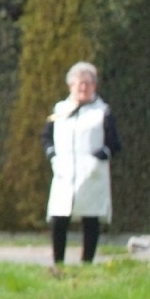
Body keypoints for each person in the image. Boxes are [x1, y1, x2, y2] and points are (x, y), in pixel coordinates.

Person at [42, 61, 121, 267]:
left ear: (94, 86)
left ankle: (87, 262)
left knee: (90, 216)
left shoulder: (102, 111)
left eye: (88, 84)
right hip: (64, 172)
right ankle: (58, 262)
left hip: (91, 174)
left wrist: (101, 156)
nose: (83, 88)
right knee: (59, 217)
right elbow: (47, 137)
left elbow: (114, 143)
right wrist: (53, 156)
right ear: (71, 86)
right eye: (79, 84)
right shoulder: (60, 110)